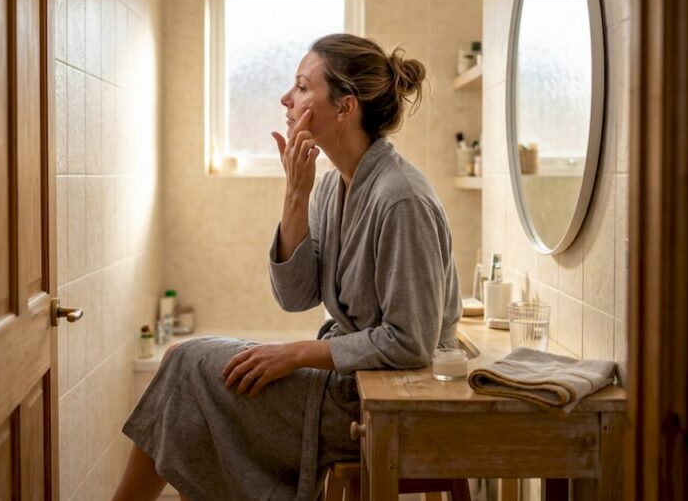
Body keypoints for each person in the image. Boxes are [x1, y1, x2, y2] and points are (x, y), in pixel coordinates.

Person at [113, 33, 461, 501]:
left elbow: (410, 342)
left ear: (344, 108)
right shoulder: (332, 186)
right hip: (351, 383)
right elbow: (296, 297)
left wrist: (296, 354)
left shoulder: (399, 199)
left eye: (301, 86)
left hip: (380, 398)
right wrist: (295, 195)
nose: (285, 97)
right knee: (182, 361)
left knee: (186, 365)